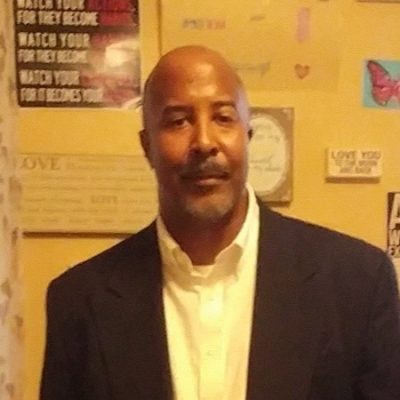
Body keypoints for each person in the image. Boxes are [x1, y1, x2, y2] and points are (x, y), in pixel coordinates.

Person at [40, 46, 400, 400]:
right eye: (178, 121)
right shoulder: (79, 302)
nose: (204, 141)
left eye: (224, 118)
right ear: (147, 147)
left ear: (247, 137)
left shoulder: (359, 284)